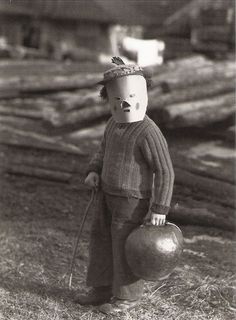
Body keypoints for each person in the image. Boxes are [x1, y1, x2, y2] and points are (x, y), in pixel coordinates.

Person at [75, 57, 175, 315]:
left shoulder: (148, 132)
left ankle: (126, 296)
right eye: (117, 99)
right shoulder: (112, 124)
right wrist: (94, 170)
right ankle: (101, 287)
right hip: (106, 194)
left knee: (124, 246)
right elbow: (103, 151)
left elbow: (164, 171)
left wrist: (159, 208)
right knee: (101, 241)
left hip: (132, 202)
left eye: (130, 96)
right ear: (108, 100)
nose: (124, 103)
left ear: (142, 94)